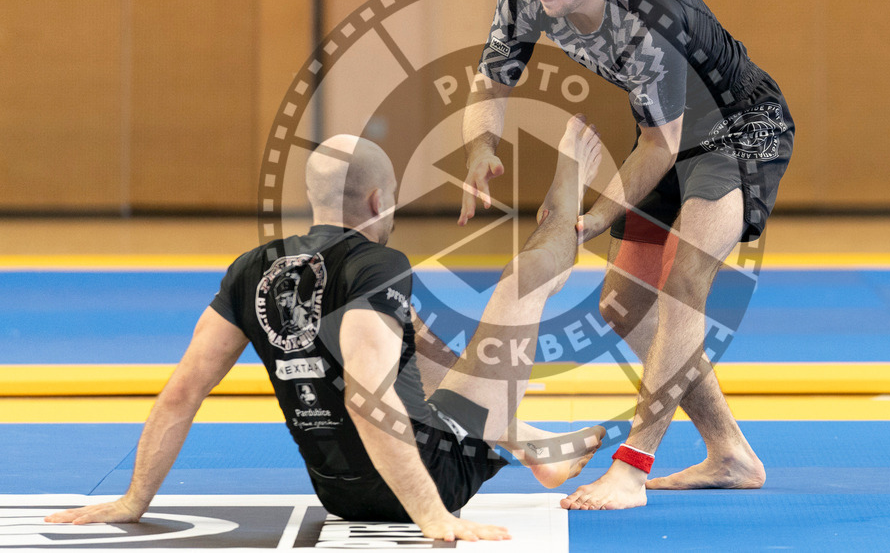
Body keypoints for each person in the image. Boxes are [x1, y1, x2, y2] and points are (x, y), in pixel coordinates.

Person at [47, 115, 606, 542]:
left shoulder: (251, 269)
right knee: (521, 285)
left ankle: (531, 443)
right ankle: (570, 179)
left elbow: (182, 392)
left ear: (313, 201)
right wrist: (434, 516)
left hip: (339, 492)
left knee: (401, 333)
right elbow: (369, 398)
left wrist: (133, 500)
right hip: (428, 481)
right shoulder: (377, 265)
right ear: (378, 201)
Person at [459, 0, 795, 510]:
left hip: (741, 130)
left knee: (685, 278)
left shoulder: (646, 13)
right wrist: (480, 147)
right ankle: (729, 455)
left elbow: (659, 148)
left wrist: (588, 220)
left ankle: (632, 467)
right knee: (622, 306)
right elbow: (491, 79)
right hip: (666, 133)